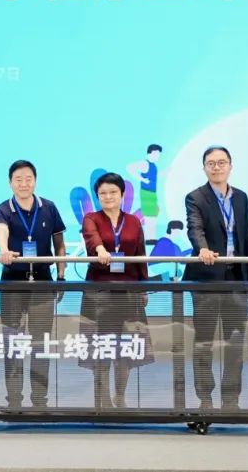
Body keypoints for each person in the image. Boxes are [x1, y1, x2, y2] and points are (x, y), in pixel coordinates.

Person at [182, 146, 248, 411]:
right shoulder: (196, 197)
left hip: (236, 279)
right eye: (211, 163)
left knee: (235, 342)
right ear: (204, 167)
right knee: (204, 342)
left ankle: (231, 399)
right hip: (206, 279)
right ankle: (205, 398)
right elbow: (195, 228)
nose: (217, 167)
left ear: (230, 166)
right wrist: (202, 249)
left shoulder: (241, 198)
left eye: (222, 162)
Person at [0, 159, 67, 408]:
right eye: (18, 179)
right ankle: (14, 400)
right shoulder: (3, 209)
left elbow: (59, 244)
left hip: (43, 280)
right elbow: (1, 231)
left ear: (35, 181)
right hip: (13, 280)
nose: (23, 184)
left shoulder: (49, 207)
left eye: (28, 179)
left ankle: (39, 400)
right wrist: (3, 250)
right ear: (10, 183)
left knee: (40, 342)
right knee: (12, 342)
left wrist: (61, 275)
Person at [79, 172, 153, 409]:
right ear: (97, 196)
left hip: (129, 292)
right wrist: (101, 250)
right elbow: (92, 238)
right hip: (99, 293)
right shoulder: (91, 218)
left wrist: (144, 287)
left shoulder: (133, 221)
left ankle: (120, 397)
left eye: (113, 192)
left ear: (122, 194)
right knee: (101, 348)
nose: (108, 197)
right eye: (103, 193)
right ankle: (102, 400)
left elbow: (140, 255)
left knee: (126, 349)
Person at [127, 144, 163, 241]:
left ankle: (152, 238)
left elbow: (153, 175)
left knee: (153, 215)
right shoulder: (145, 164)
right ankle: (150, 238)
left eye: (158, 155)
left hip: (152, 193)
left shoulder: (153, 165)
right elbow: (129, 168)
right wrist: (142, 179)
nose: (157, 157)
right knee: (149, 216)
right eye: (156, 154)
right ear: (149, 154)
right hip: (146, 193)